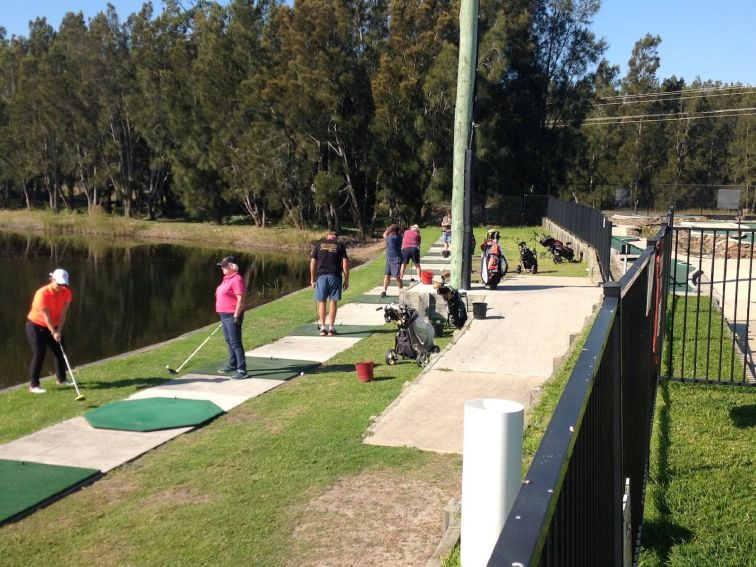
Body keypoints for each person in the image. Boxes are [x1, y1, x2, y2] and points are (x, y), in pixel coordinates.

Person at [25, 268, 74, 394]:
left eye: (63, 284)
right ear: (52, 280)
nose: (61, 287)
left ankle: (61, 379)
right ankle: (34, 385)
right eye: (59, 284)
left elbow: (63, 314)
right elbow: (46, 317)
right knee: (39, 353)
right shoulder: (42, 293)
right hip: (36, 326)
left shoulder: (66, 292)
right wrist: (54, 332)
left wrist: (59, 330)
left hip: (55, 325)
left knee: (60, 351)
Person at [310, 230, 350, 336]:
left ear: (327, 236)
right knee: (333, 302)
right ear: (335, 238)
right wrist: (346, 280)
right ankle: (331, 328)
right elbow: (345, 263)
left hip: (321, 276)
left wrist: (312, 278)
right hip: (335, 276)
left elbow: (313, 262)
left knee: (322, 302)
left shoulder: (318, 245)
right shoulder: (340, 246)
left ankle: (323, 328)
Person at [215, 256, 247, 379]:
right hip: (224, 314)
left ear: (232, 266)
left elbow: (241, 299)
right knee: (229, 341)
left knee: (235, 343)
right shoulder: (227, 279)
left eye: (224, 265)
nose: (222, 267)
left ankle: (242, 370)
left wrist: (236, 316)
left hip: (232, 315)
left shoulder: (237, 279)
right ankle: (232, 364)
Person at [381, 224, 403, 297]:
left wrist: (389, 229)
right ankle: (384, 291)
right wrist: (391, 228)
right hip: (389, 259)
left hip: (396, 259)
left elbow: (384, 234)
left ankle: (401, 292)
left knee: (397, 277)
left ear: (392, 230)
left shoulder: (392, 238)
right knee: (387, 275)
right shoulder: (400, 236)